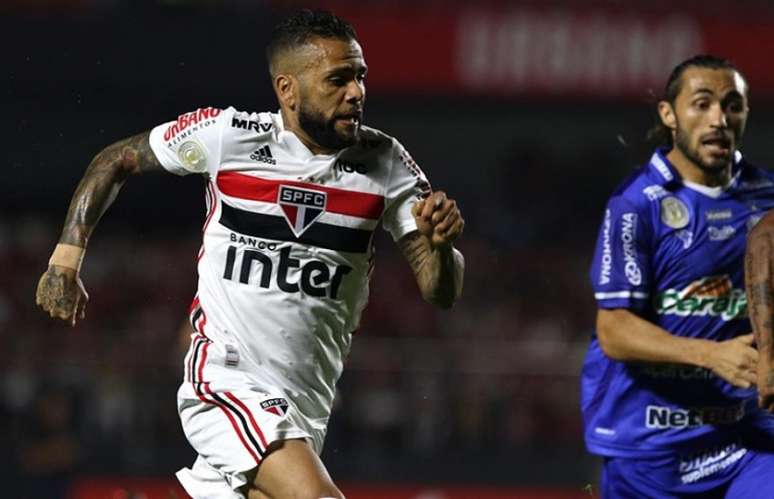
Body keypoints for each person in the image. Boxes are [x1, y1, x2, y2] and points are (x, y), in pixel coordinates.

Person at [35, 9, 465, 499]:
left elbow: (439, 291)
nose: (356, 92)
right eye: (337, 80)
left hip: (306, 404)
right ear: (288, 89)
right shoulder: (229, 137)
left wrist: (440, 246)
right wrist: (65, 261)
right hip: (227, 379)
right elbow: (116, 159)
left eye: (360, 76)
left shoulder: (385, 163)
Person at [582, 54, 774, 497]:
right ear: (668, 114)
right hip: (650, 449)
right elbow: (613, 330)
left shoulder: (766, 200)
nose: (718, 119)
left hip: (744, 441)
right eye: (702, 104)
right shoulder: (636, 205)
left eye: (732, 106)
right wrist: (711, 355)